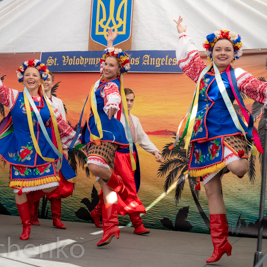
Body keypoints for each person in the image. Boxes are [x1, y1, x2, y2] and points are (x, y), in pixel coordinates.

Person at [174, 16, 267, 263]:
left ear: (234, 53)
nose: (223, 52)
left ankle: (236, 159)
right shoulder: (201, 73)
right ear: (211, 52)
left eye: (228, 49)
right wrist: (182, 31)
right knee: (212, 192)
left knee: (238, 166)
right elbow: (189, 55)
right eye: (218, 49)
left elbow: (259, 89)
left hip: (228, 133)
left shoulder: (238, 75)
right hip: (202, 139)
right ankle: (220, 244)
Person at [0, 44, 78, 240]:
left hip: (44, 153)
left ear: (40, 79)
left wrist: (81, 144)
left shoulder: (50, 105)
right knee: (20, 190)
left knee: (51, 187)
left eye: (35, 75)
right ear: (22, 77)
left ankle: (33, 203)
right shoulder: (14, 97)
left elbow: (63, 128)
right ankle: (26, 226)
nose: (31, 77)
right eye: (28, 74)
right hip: (21, 153)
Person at [79, 29, 142, 247]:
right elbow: (107, 64)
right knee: (106, 186)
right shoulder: (101, 80)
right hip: (96, 132)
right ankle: (111, 226)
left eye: (111, 65)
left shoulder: (112, 85)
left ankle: (121, 185)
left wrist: (112, 104)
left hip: (105, 133)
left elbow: (112, 95)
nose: (106, 67)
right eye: (105, 64)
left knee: (96, 167)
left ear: (119, 70)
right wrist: (109, 44)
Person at [90, 88, 162, 235]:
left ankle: (97, 212)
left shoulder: (134, 119)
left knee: (115, 188)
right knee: (127, 189)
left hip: (130, 157)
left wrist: (155, 151)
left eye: (131, 100)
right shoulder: (111, 118)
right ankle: (137, 224)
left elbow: (142, 139)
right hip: (115, 156)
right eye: (126, 100)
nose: (129, 103)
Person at [28, 72, 74, 229]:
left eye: (49, 80)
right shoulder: (32, 101)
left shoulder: (58, 102)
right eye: (44, 79)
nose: (46, 82)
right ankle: (32, 216)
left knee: (57, 182)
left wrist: (65, 148)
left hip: (55, 146)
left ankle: (56, 218)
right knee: (35, 181)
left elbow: (64, 127)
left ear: (53, 83)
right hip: (38, 146)